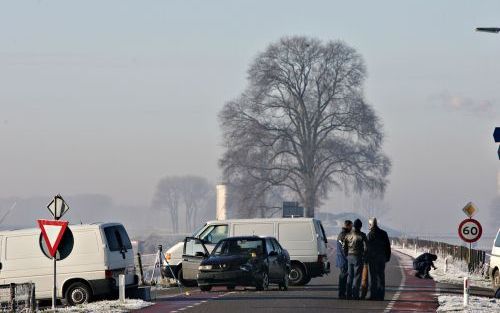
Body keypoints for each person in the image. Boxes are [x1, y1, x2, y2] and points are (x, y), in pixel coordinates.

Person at [366, 217, 391, 301]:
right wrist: (387, 257)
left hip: (373, 259)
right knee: (381, 277)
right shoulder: (384, 233)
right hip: (382, 258)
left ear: (371, 224)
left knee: (373, 277)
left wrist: (366, 259)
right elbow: (388, 247)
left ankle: (373, 295)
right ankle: (381, 296)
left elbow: (367, 248)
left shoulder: (369, 235)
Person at [344, 218, 367, 300]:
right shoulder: (362, 235)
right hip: (358, 257)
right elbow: (366, 247)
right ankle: (355, 294)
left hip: (349, 256)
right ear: (360, 227)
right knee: (357, 276)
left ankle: (348, 294)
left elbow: (344, 246)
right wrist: (364, 256)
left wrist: (346, 255)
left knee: (350, 276)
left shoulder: (348, 235)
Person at [336, 220, 352, 299]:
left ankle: (342, 293)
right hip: (344, 259)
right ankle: (341, 294)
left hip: (341, 259)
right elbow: (344, 249)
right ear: (348, 226)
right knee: (343, 277)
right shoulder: (344, 235)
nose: (352, 228)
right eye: (351, 226)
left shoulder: (341, 234)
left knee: (343, 276)